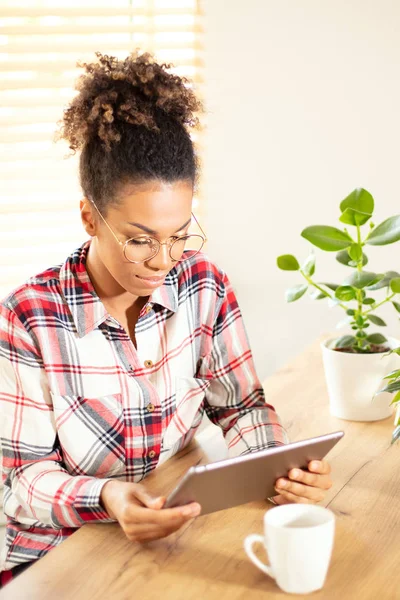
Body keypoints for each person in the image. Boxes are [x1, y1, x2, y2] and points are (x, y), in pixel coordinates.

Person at [0, 51, 332, 586]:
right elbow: (21, 479)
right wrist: (107, 496)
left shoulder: (203, 287)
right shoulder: (28, 320)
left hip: (169, 528)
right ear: (90, 215)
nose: (163, 260)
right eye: (139, 239)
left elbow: (240, 404)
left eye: (178, 235)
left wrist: (277, 467)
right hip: (54, 552)